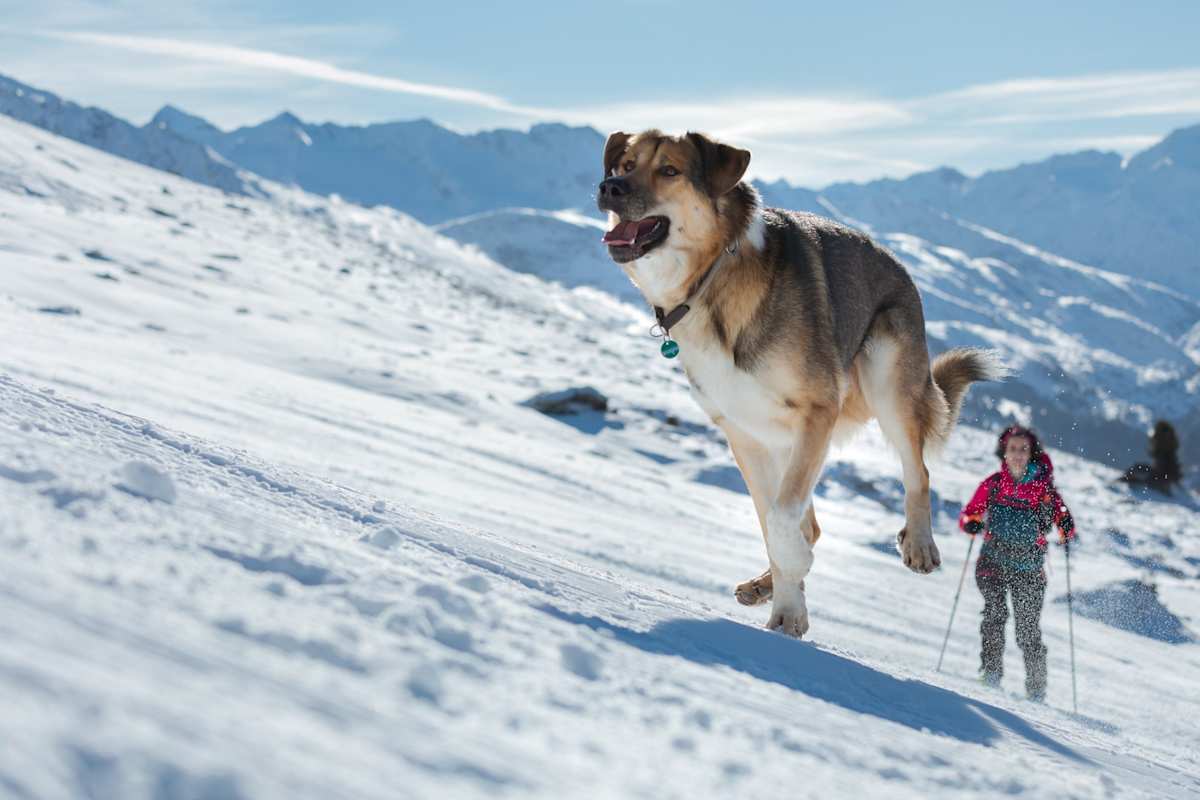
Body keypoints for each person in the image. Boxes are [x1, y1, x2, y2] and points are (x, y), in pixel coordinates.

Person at [958, 425, 1076, 701]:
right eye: (1013, 449)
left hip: (1029, 571)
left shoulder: (1044, 491)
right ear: (1004, 452)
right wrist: (971, 524)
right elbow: (968, 516)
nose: (1018, 454)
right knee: (994, 616)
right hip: (992, 564)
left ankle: (1035, 690)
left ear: (1032, 453)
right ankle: (991, 674)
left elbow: (1065, 523)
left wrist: (1065, 526)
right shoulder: (994, 484)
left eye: (1024, 449)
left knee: (1027, 630)